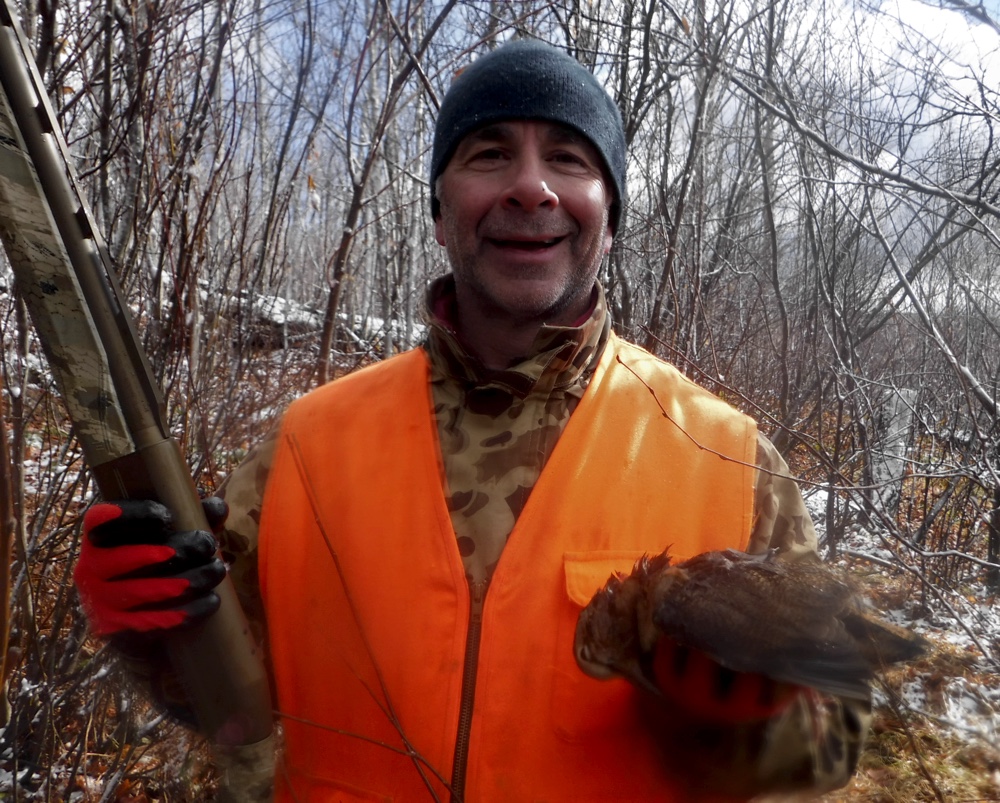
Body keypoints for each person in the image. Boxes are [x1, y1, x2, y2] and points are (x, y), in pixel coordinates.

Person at [74, 39, 871, 802]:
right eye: (489, 154)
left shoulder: (728, 458)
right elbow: (228, 709)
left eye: (569, 157)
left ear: (611, 215)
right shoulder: (308, 445)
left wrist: (738, 721)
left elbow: (834, 744)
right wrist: (150, 621)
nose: (531, 188)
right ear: (438, 211)